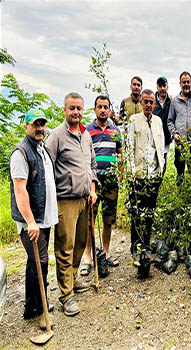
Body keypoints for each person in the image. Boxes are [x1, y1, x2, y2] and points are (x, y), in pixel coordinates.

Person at [47, 92, 98, 317]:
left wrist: (93, 189)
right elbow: (47, 168)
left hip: (85, 199)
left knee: (80, 244)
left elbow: (93, 164)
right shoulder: (56, 136)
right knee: (64, 248)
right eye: (72, 108)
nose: (76, 112)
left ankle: (73, 278)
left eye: (79, 108)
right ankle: (66, 295)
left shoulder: (86, 136)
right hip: (65, 200)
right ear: (64, 110)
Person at [9, 108, 58, 329]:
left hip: (44, 217)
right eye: (35, 124)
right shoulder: (21, 153)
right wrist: (30, 222)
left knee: (34, 261)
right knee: (41, 262)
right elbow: (20, 190)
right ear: (26, 126)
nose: (40, 128)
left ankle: (30, 307)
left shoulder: (42, 147)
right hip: (32, 221)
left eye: (42, 124)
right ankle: (41, 310)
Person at [80, 95, 123, 276]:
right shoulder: (87, 130)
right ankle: (88, 258)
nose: (103, 110)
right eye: (100, 107)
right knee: (90, 220)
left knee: (108, 219)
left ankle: (105, 253)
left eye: (106, 107)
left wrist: (121, 172)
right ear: (95, 109)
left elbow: (120, 152)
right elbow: (83, 155)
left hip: (111, 181)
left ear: (109, 109)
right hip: (93, 182)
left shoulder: (115, 130)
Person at [126, 89, 165, 278]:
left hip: (154, 176)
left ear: (155, 104)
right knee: (137, 214)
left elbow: (161, 146)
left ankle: (146, 247)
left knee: (149, 214)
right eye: (146, 101)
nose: (149, 105)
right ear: (141, 103)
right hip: (139, 176)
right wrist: (132, 172)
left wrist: (161, 170)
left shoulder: (158, 121)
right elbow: (129, 147)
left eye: (152, 102)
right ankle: (136, 248)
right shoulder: (134, 120)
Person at [167, 71, 191, 184]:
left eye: (188, 82)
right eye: (184, 82)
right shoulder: (175, 101)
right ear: (180, 84)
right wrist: (174, 134)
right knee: (180, 172)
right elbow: (170, 120)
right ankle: (180, 197)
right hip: (180, 144)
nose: (186, 84)